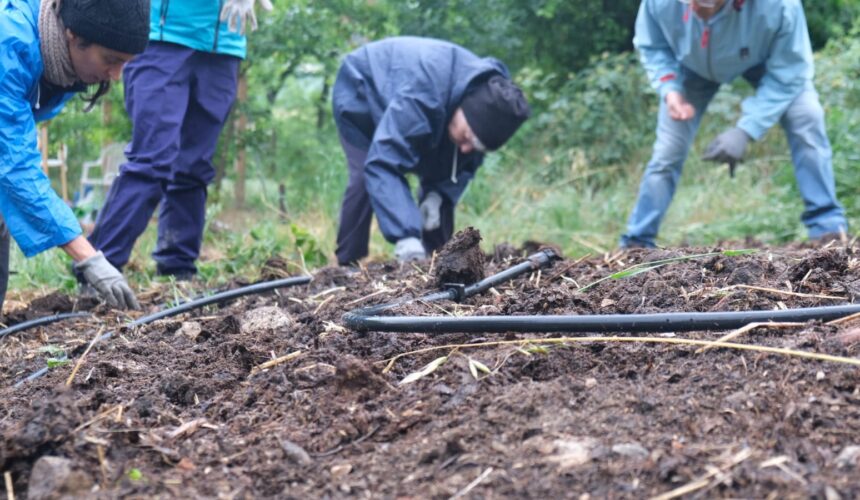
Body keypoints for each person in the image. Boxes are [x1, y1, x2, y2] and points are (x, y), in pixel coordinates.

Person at [620, 0, 848, 248]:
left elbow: (791, 72)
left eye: (705, 3)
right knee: (668, 151)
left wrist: (746, 130)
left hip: (763, 60)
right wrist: (669, 88)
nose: (695, 8)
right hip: (690, 69)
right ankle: (637, 241)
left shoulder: (780, 6)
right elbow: (652, 45)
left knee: (807, 116)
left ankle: (828, 229)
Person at [84, 0, 271, 280]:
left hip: (225, 41)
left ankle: (178, 268)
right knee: (153, 159)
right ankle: (99, 267)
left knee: (195, 166)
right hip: (163, 36)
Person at [0, 0, 149, 311]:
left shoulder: (59, 63)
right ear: (72, 34)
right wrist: (87, 256)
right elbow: (14, 167)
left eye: (126, 63)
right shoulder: (9, 46)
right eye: (111, 59)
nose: (118, 76)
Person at [332, 36, 531, 265]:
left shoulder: (489, 106)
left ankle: (439, 261)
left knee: (444, 182)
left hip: (429, 106)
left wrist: (439, 195)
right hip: (363, 89)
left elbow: (461, 168)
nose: (467, 147)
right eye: (467, 136)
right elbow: (383, 161)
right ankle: (348, 263)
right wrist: (405, 234)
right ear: (462, 109)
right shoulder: (423, 97)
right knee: (364, 176)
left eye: (476, 146)